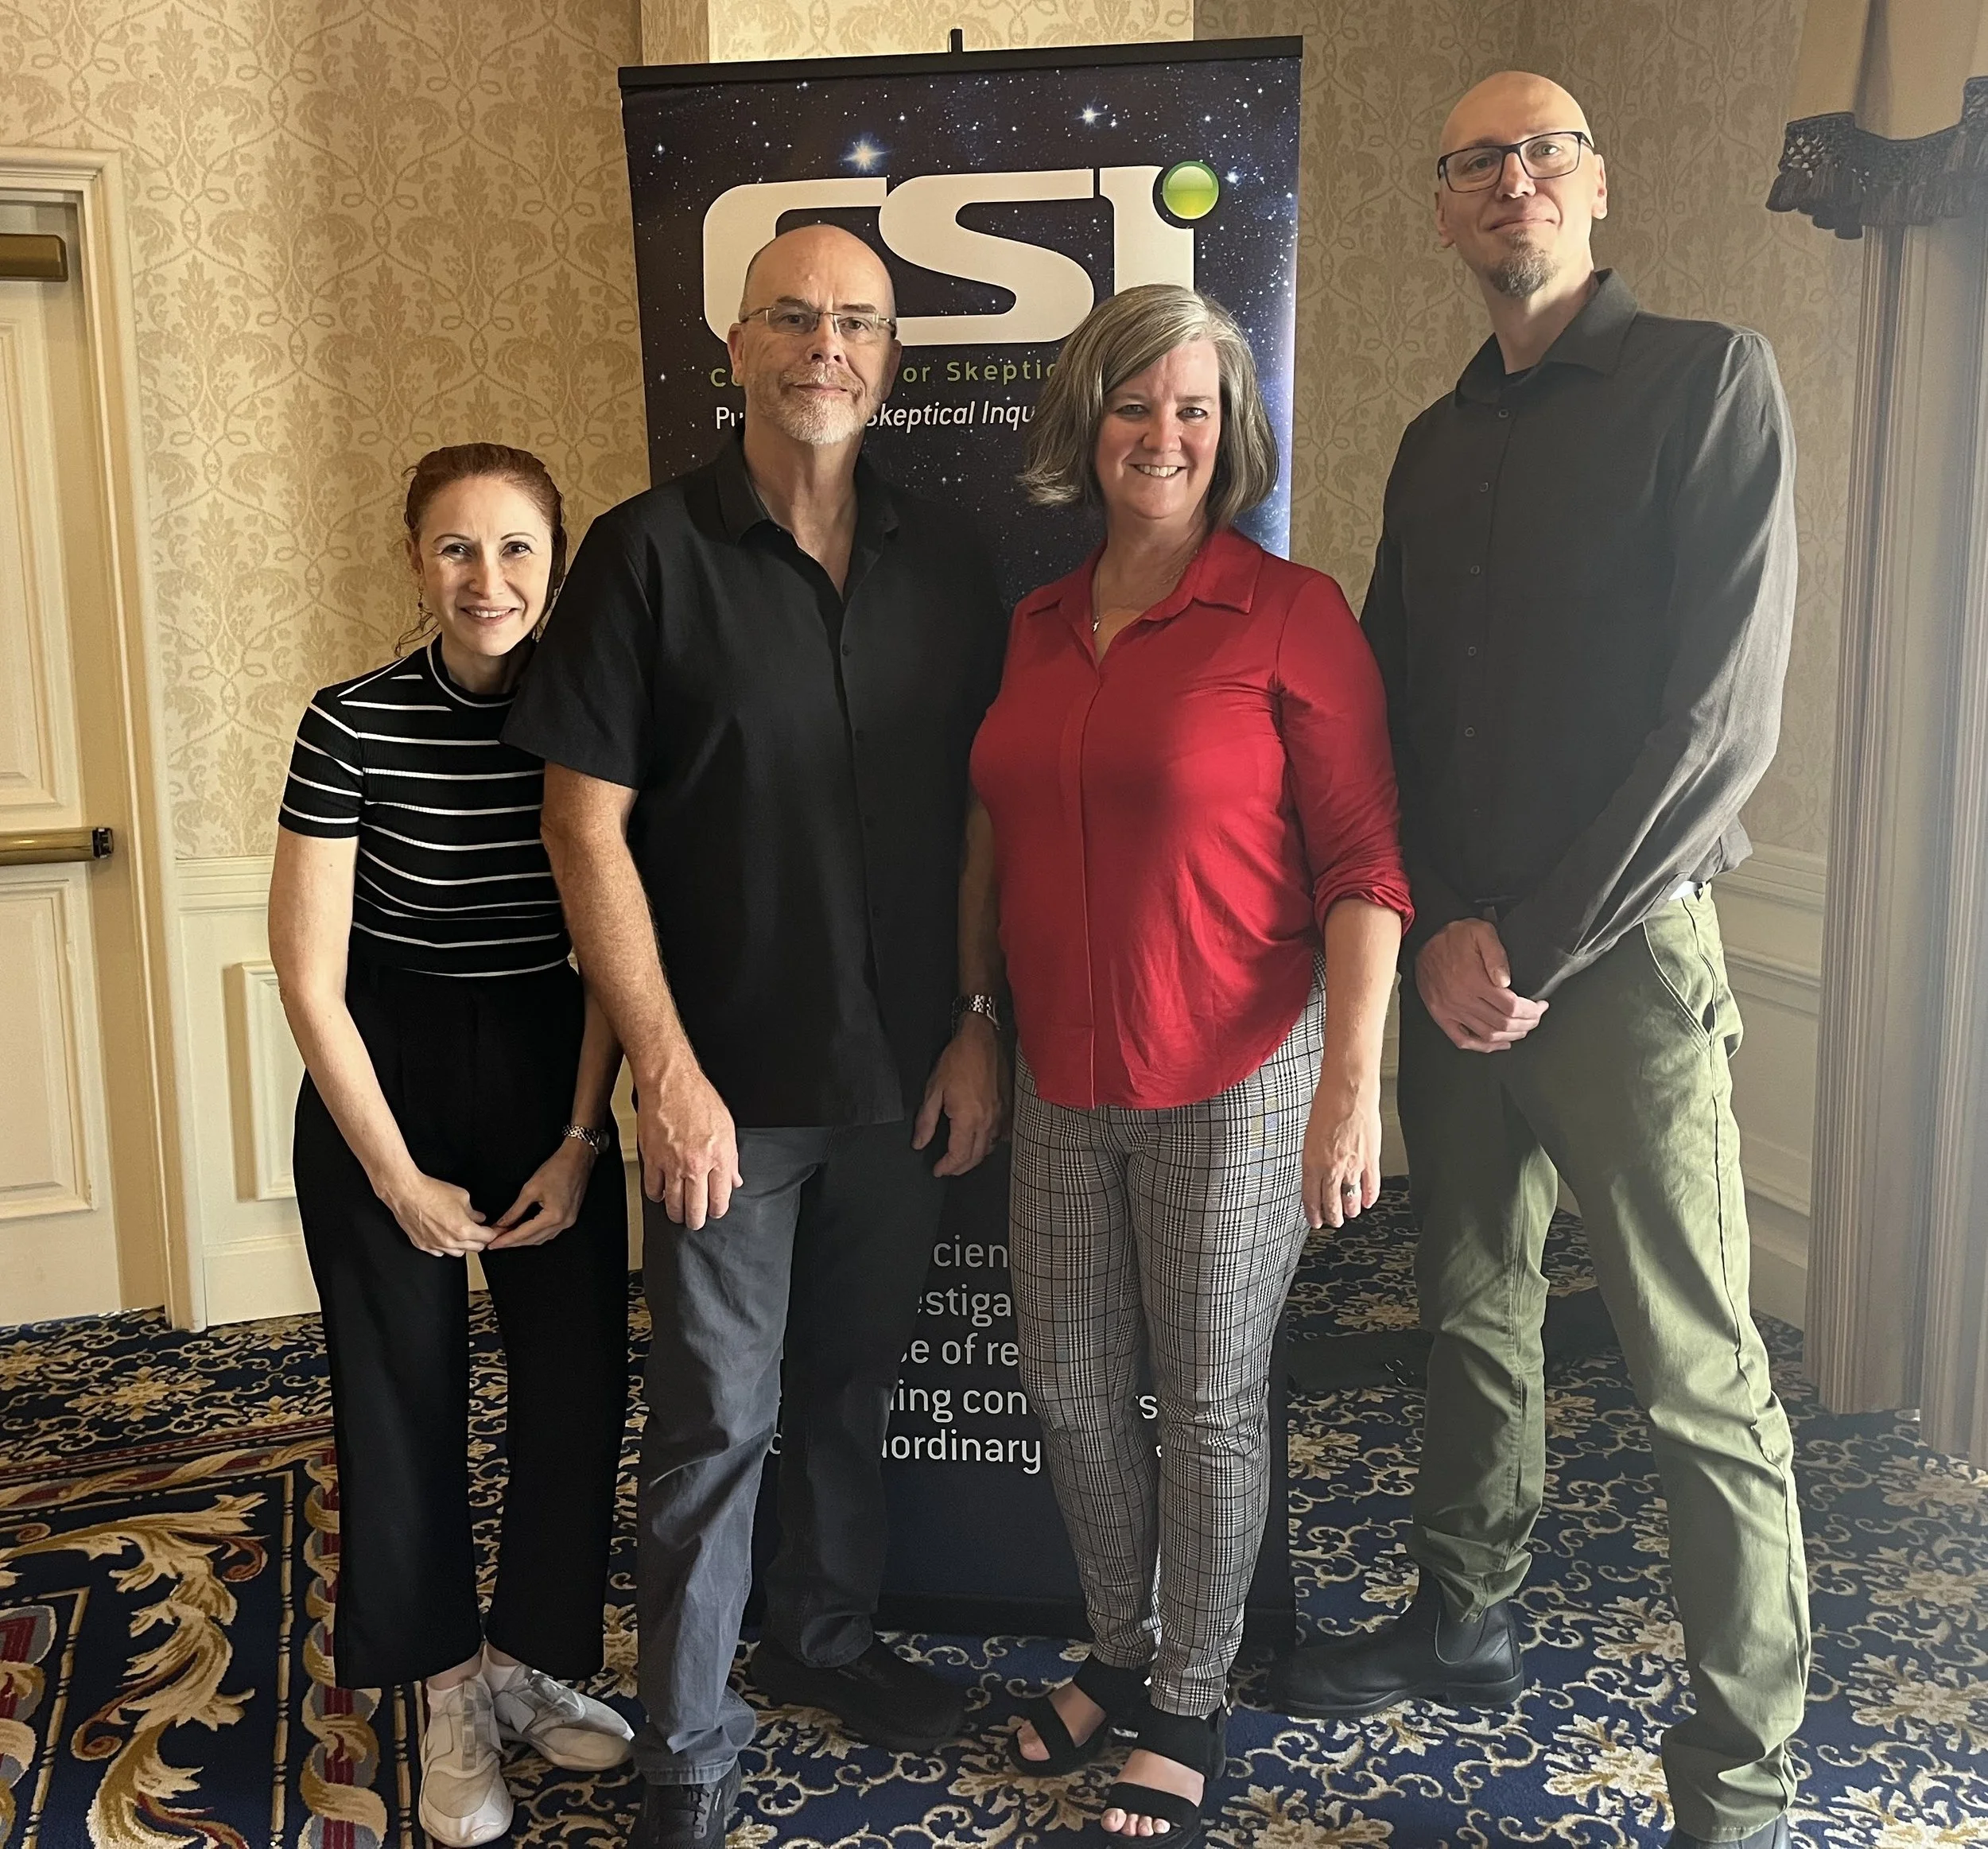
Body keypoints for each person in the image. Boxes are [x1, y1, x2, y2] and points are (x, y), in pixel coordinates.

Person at [1268, 73, 1809, 1849]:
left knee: (1691, 1368)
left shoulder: (1705, 380)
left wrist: (1534, 939)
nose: (1512, 180)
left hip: (1624, 964)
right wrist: (1425, 926)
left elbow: (1714, 723)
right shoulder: (1438, 440)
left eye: (1542, 150)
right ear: (1442, 213)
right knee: (1472, 1315)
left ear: (1592, 184)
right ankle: (1463, 1616)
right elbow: (1391, 710)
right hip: (1451, 965)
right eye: (1475, 163)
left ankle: (1739, 1776)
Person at [502, 224, 1009, 1849]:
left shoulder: (947, 560)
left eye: (855, 320)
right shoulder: (647, 554)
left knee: (852, 1389)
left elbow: (986, 816)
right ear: (733, 346)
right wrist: (662, 1070)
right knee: (718, 1417)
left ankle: (825, 1638)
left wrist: (978, 1022)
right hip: (723, 1092)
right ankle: (686, 1744)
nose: (824, 346)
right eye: (791, 316)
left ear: (893, 354)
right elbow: (582, 825)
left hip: (905, 1079)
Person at [965, 284, 1412, 1849]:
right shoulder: (1032, 624)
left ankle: (1189, 1700)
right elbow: (994, 829)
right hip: (1057, 1077)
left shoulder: (1291, 613)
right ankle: (1115, 1646)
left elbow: (1364, 864)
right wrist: (971, 1012)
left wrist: (1351, 1087)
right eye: (1136, 404)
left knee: (1207, 1401)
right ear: (1085, 422)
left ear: (1229, 439)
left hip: (1237, 1075)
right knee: (1074, 1393)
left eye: (1194, 410)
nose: (1163, 434)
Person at [270, 443, 635, 1848]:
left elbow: (613, 946)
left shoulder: (599, 718)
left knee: (578, 1379)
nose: (489, 580)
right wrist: (390, 1169)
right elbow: (308, 973)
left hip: (553, 1067)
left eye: (518, 550)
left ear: (557, 564)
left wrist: (579, 1134)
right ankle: (439, 1694)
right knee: (400, 1397)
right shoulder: (348, 722)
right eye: (457, 550)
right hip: (387, 1069)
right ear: (414, 562)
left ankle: (523, 1658)